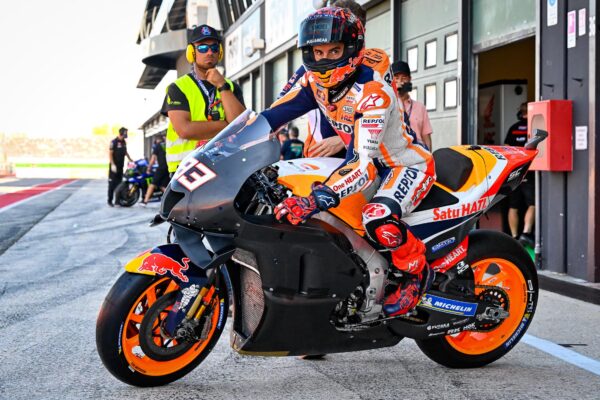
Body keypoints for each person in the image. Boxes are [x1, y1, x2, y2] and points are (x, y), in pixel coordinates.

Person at [262, 7, 436, 317]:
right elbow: (271, 115)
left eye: (334, 50)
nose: (324, 58)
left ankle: (417, 272)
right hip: (365, 165)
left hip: (401, 165)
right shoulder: (313, 81)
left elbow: (362, 164)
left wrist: (313, 200)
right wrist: (228, 142)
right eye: (318, 51)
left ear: (352, 48)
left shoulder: (373, 91)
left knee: (377, 217)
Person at [277, 0, 367, 159]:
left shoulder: (374, 67)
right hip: (319, 157)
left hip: (362, 159)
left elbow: (387, 119)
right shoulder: (312, 68)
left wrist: (344, 139)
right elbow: (281, 104)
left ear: (361, 30)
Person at [162, 24, 246, 174]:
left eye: (214, 48)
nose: (209, 52)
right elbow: (184, 130)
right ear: (191, 52)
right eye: (202, 48)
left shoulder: (232, 87)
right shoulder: (178, 88)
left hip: (224, 166)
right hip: (187, 169)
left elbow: (241, 126)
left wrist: (222, 85)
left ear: (220, 52)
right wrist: (227, 125)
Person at [504, 102, 535, 247]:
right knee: (533, 204)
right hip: (529, 170)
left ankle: (514, 237)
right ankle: (526, 233)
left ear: (521, 113)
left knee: (513, 206)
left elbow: (506, 149)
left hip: (515, 170)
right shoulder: (533, 128)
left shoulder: (513, 128)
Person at [391, 61, 433, 150]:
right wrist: (397, 95)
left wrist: (429, 156)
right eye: (396, 78)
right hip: (396, 153)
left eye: (404, 78)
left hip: (418, 152)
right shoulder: (388, 106)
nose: (400, 81)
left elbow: (426, 138)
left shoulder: (420, 107)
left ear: (409, 79)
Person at [108, 127, 132, 207]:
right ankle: (110, 201)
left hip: (121, 166)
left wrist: (130, 159)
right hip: (114, 167)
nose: (126, 134)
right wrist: (112, 164)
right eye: (125, 133)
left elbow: (125, 151)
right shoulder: (113, 142)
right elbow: (110, 154)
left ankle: (117, 201)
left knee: (119, 184)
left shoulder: (124, 142)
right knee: (112, 184)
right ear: (121, 133)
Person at [141, 135, 169, 206]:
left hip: (161, 168)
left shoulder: (157, 146)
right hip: (167, 167)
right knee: (163, 186)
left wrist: (149, 168)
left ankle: (145, 201)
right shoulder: (167, 145)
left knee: (152, 184)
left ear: (157, 140)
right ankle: (171, 201)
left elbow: (153, 159)